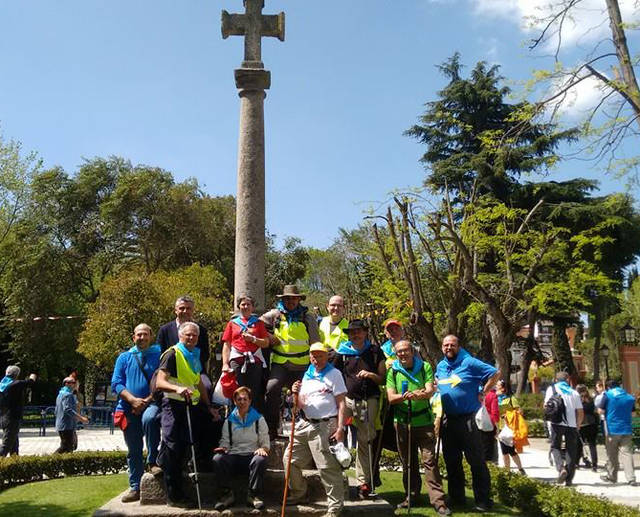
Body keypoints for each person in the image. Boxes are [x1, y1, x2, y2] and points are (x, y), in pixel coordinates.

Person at [155, 321, 220, 507]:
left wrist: (209, 406)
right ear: (180, 335)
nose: (191, 338)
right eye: (188, 335)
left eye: (195, 335)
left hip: (191, 404)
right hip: (173, 404)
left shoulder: (194, 355)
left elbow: (198, 382)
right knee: (173, 448)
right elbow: (160, 382)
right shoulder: (172, 354)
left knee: (197, 436)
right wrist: (178, 388)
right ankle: (174, 496)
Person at [435, 334, 498, 512]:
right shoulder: (441, 366)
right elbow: (438, 383)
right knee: (451, 462)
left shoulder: (469, 362)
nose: (449, 348)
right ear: (442, 347)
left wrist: (483, 391)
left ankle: (483, 500)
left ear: (458, 346)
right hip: (449, 420)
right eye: (446, 345)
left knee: (476, 461)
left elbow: (495, 373)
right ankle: (457, 498)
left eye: (452, 345)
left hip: (468, 420)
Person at [283, 342, 347, 517]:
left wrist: (340, 428)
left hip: (326, 424)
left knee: (327, 466)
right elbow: (299, 405)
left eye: (319, 355)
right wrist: (294, 393)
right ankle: (299, 494)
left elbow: (342, 403)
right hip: (305, 423)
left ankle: (335, 507)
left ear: (326, 356)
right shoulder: (307, 375)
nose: (316, 359)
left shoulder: (334, 374)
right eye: (313, 356)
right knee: (290, 459)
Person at [386, 339, 450, 515]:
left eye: (406, 350)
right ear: (396, 353)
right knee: (408, 462)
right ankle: (411, 496)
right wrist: (413, 395)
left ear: (412, 351)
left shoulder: (425, 367)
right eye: (399, 352)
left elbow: (430, 391)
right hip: (402, 423)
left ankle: (438, 502)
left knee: (429, 462)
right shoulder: (393, 371)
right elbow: (391, 398)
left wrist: (413, 395)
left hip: (424, 422)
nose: (403, 354)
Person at [333, 319, 386, 498]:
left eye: (358, 331)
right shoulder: (342, 353)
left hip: (367, 400)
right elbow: (334, 375)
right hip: (346, 400)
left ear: (365, 332)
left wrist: (371, 375)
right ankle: (334, 477)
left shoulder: (375, 351)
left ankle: (364, 482)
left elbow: (382, 379)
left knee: (365, 441)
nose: (355, 335)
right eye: (352, 332)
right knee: (335, 433)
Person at [110, 323, 163, 503]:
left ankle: (153, 460)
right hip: (128, 408)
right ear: (133, 337)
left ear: (151, 336)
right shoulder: (124, 358)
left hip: (151, 404)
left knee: (150, 419)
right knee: (133, 450)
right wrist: (132, 400)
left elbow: (161, 380)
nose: (142, 338)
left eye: (145, 334)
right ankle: (135, 487)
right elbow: (116, 383)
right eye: (138, 335)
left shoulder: (158, 355)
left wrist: (146, 400)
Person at [261, 284, 320, 439]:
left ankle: (308, 429)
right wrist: (268, 336)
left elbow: (315, 342)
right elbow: (257, 325)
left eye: (294, 299)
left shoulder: (308, 318)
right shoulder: (275, 315)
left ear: (299, 299)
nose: (291, 301)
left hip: (302, 365)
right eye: (287, 298)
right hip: (280, 363)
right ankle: (272, 428)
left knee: (307, 395)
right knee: (271, 389)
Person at [213, 386, 270, 511]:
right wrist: (223, 448)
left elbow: (265, 441)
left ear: (250, 401)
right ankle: (227, 495)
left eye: (245, 399)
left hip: (251, 455)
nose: (242, 402)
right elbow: (225, 441)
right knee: (218, 459)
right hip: (234, 456)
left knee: (261, 459)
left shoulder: (259, 419)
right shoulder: (229, 421)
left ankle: (253, 495)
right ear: (234, 401)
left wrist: (263, 449)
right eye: (239, 399)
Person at [221, 295, 270, 414]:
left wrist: (253, 339)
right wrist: (225, 364)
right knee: (236, 390)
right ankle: (235, 419)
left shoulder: (259, 324)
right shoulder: (232, 324)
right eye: (243, 304)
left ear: (253, 307)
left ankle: (253, 420)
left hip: (254, 361)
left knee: (253, 392)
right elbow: (227, 345)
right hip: (237, 360)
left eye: (248, 304)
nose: (246, 307)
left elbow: (266, 343)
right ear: (239, 307)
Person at [544, 371, 583, 486]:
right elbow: (580, 411)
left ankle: (561, 468)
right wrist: (578, 424)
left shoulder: (552, 389)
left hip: (556, 423)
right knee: (571, 450)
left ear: (556, 380)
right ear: (567, 379)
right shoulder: (574, 392)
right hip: (571, 425)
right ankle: (569, 479)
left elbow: (546, 406)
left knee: (556, 446)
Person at [597, 380, 637, 486]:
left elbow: (600, 411)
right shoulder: (629, 397)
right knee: (627, 454)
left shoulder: (607, 395)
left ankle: (612, 477)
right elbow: (633, 414)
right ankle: (631, 478)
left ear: (609, 387)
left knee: (612, 454)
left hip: (612, 429)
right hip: (626, 429)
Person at [157, 296, 210, 373]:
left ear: (193, 310)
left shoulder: (201, 330)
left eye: (188, 308)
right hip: (172, 372)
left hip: (195, 372)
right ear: (175, 310)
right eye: (182, 308)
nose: (185, 311)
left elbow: (205, 354)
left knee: (207, 385)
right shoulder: (165, 330)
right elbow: (161, 352)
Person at [0, 366, 37, 456]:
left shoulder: (2, 384)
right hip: (13, 418)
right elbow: (30, 382)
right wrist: (33, 375)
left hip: (4, 417)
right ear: (16, 374)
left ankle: (14, 465)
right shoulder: (15, 384)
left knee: (14, 445)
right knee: (6, 446)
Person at [496, 379, 527, 475]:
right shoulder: (495, 399)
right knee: (504, 451)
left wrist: (508, 414)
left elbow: (519, 411)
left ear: (503, 388)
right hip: (501, 428)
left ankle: (521, 469)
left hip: (510, 428)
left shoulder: (510, 398)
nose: (496, 387)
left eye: (498, 385)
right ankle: (507, 471)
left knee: (511, 451)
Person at [55, 376, 89, 453]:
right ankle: (50, 460)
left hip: (62, 424)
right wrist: (81, 418)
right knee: (66, 447)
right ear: (66, 384)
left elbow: (56, 410)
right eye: (73, 382)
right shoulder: (67, 395)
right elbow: (68, 410)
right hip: (66, 425)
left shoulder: (60, 394)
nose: (75, 384)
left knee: (68, 447)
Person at [576, 384, 598, 471]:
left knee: (579, 445)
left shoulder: (578, 401)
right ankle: (594, 464)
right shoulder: (591, 400)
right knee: (592, 445)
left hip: (581, 425)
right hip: (592, 424)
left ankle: (576, 463)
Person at [481, 387, 499, 464]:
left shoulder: (478, 393)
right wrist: (497, 426)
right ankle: (492, 463)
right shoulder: (492, 395)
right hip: (489, 423)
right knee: (490, 445)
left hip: (478, 422)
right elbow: (494, 412)